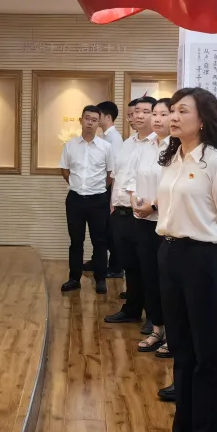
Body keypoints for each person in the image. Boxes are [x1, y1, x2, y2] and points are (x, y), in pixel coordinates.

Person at [151, 87, 217, 432]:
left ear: (203, 119)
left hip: (203, 258)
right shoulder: (171, 156)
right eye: (171, 110)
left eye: (182, 111)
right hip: (169, 253)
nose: (173, 117)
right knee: (182, 350)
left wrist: (210, 253)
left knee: (207, 355)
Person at [105, 97, 159, 327]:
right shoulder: (127, 143)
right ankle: (132, 309)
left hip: (145, 215)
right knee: (130, 265)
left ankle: (154, 316)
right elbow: (117, 177)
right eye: (136, 111)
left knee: (149, 267)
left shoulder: (160, 144)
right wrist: (112, 205)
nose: (139, 115)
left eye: (146, 111)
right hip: (120, 213)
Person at [60, 105, 115, 294]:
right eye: (87, 118)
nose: (90, 122)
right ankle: (74, 278)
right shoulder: (70, 145)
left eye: (94, 120)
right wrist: (76, 185)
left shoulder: (106, 147)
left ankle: (100, 279)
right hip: (75, 199)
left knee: (99, 241)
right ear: (81, 120)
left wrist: (97, 189)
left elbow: (110, 174)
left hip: (98, 200)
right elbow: (64, 169)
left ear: (99, 123)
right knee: (76, 241)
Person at [132, 98, 170, 355]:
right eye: (154, 114)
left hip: (164, 222)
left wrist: (153, 206)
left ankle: (173, 335)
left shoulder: (176, 147)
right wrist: (136, 200)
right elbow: (136, 178)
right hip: (143, 220)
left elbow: (172, 186)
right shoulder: (147, 146)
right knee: (149, 276)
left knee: (167, 280)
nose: (156, 118)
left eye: (163, 114)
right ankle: (157, 329)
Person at [94, 100, 124, 278]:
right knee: (103, 228)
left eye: (98, 116)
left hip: (109, 188)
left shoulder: (114, 138)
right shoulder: (103, 136)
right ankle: (99, 261)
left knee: (111, 229)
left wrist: (105, 189)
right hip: (103, 187)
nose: (96, 119)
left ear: (107, 117)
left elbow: (114, 169)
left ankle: (116, 266)